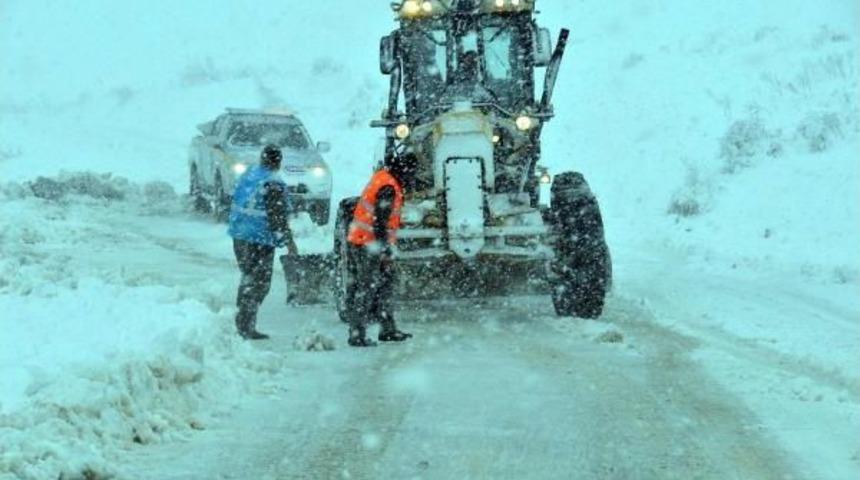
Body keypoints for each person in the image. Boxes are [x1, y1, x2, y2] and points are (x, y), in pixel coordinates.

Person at [345, 154, 417, 347]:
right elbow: (380, 223)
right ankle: (357, 333)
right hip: (368, 244)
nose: (412, 178)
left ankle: (387, 329)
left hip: (364, 242)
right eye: (411, 173)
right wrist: (384, 251)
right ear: (405, 170)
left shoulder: (383, 177)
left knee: (384, 285)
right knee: (367, 288)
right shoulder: (388, 187)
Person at [228, 144, 298, 340]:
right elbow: (277, 216)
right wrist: (289, 242)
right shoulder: (273, 183)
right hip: (258, 238)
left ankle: (243, 323)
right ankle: (245, 326)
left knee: (248, 276)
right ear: (278, 162)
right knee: (259, 283)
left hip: (239, 234)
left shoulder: (250, 174)